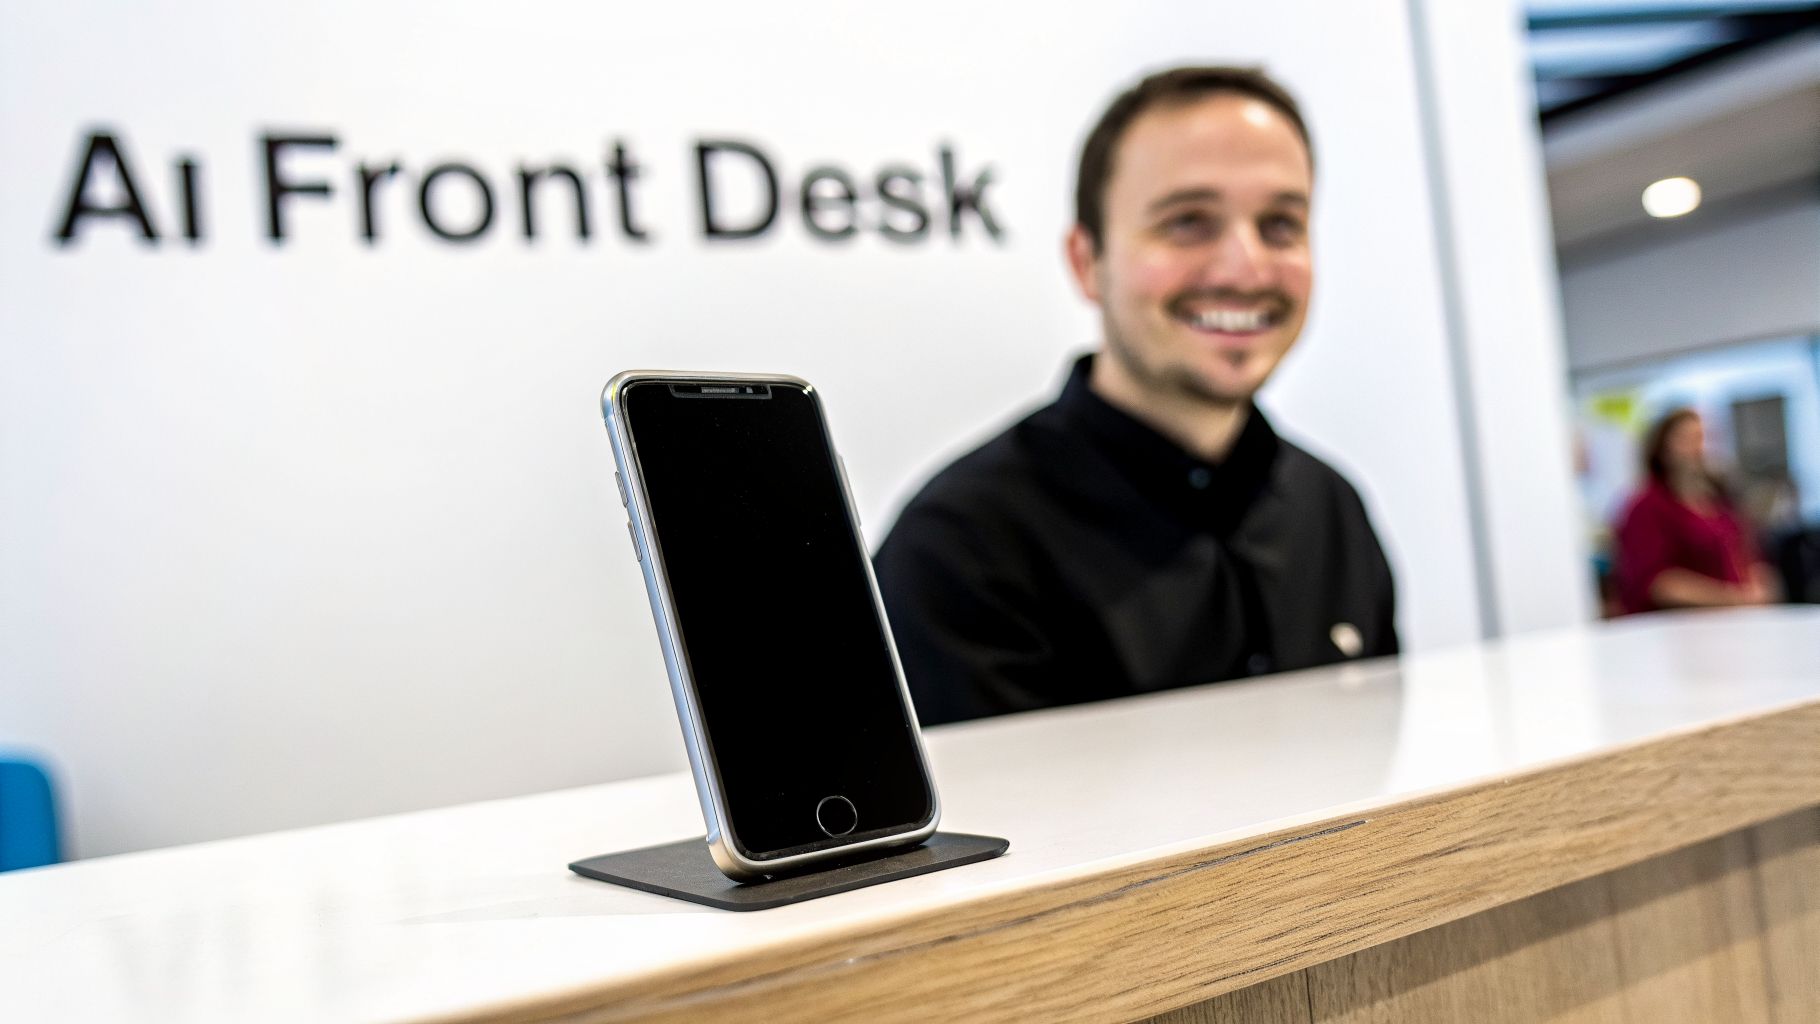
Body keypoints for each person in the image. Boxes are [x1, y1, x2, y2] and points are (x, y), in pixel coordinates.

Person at [875, 66, 1397, 726]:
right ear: (1086, 262)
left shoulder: (1334, 510)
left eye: (1281, 224)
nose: (1246, 268)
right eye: (1188, 223)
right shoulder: (961, 551)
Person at [1611, 408, 1777, 614]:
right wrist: (1733, 598)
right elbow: (1656, 583)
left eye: (1702, 438)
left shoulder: (1717, 499)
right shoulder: (1646, 507)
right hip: (1678, 627)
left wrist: (1759, 582)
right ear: (1663, 448)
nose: (1699, 448)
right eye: (1687, 439)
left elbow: (1745, 550)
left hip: (1732, 619)